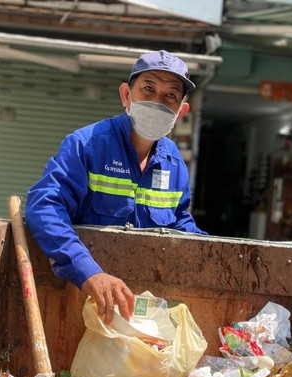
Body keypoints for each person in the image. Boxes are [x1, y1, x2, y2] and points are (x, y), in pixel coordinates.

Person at [25, 50, 206, 322]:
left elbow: (179, 220)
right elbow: (44, 207)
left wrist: (209, 251)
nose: (158, 101)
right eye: (148, 88)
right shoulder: (87, 145)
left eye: (170, 95)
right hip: (84, 302)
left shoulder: (173, 160)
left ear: (180, 111)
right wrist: (88, 272)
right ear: (126, 95)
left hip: (141, 307)